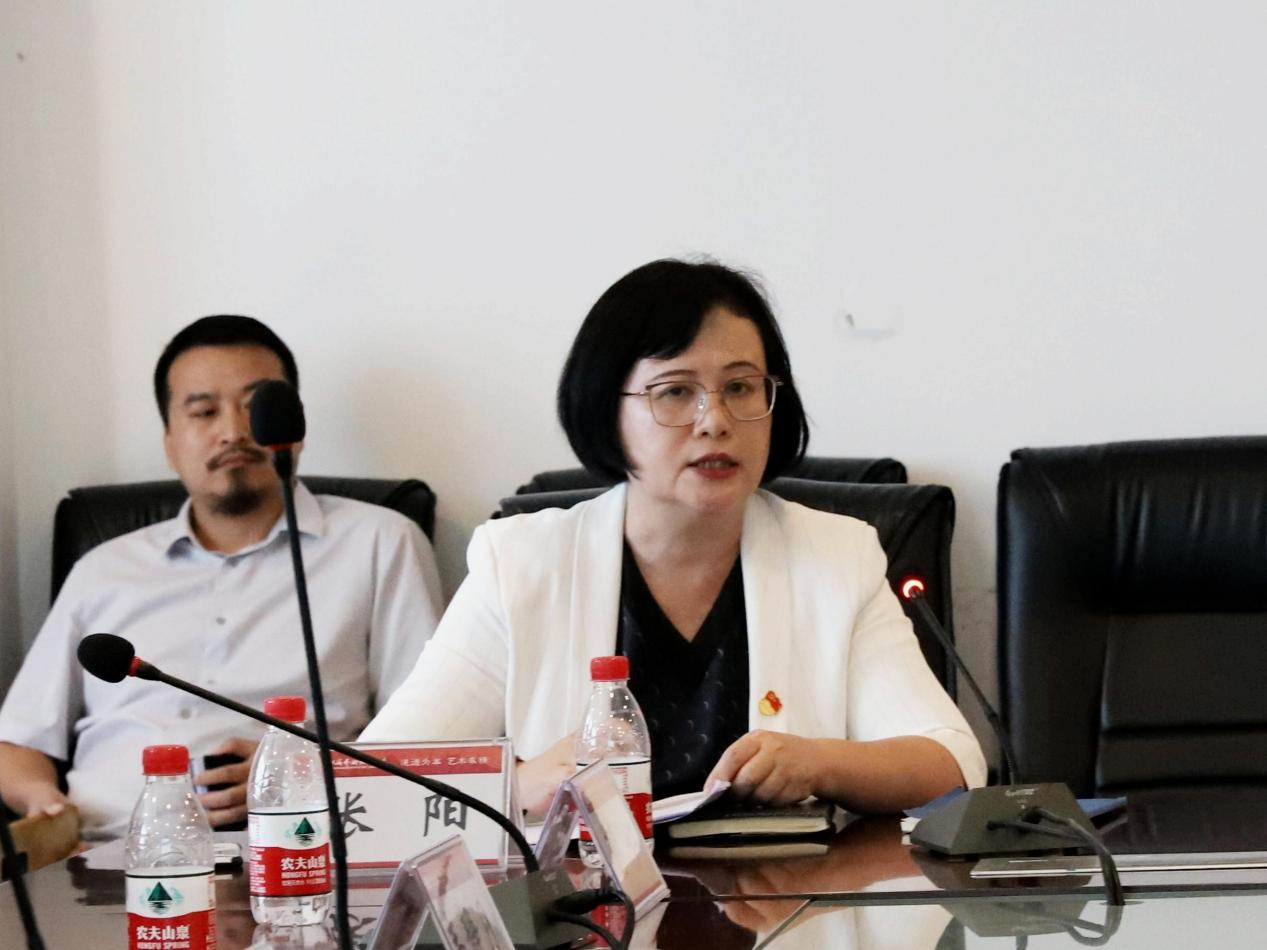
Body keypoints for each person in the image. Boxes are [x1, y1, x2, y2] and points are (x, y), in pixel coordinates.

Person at [363, 260, 985, 814]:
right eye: (676, 392)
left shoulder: (836, 557)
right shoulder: (521, 565)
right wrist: (518, 786)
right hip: (589, 900)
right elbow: (376, 780)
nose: (715, 420)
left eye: (740, 387)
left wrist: (820, 762)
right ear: (607, 411)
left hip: (787, 896)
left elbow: (952, 763)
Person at [0, 315, 444, 840]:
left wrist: (305, 773)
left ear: (293, 427)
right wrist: (45, 806)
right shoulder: (103, 568)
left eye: (255, 407)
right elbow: (17, 743)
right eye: (204, 411)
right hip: (97, 852)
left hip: (287, 848)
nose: (232, 431)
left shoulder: (380, 543)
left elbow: (431, 737)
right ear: (170, 441)